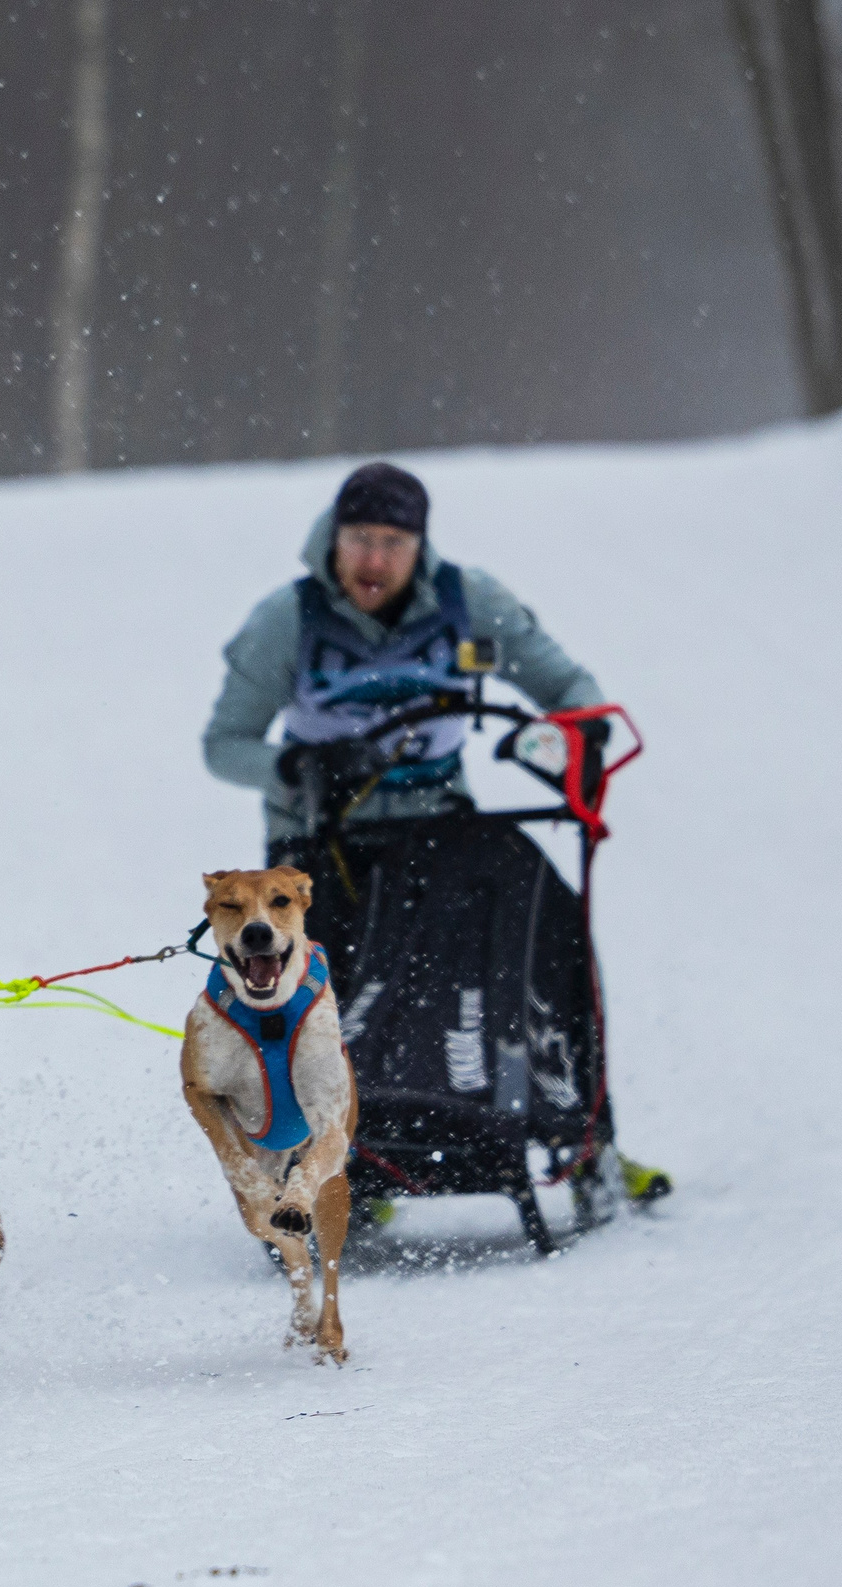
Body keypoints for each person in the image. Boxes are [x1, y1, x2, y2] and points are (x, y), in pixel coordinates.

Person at [203, 460, 667, 1207]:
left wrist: (576, 743)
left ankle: (586, 1142)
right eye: (359, 540)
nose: (374, 561)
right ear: (334, 540)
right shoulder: (286, 620)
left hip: (439, 827)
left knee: (552, 926)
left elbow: (569, 690)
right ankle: (325, 1163)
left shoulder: (468, 601)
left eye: (392, 542)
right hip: (320, 846)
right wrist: (301, 767)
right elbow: (223, 745)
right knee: (320, 997)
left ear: (421, 547)